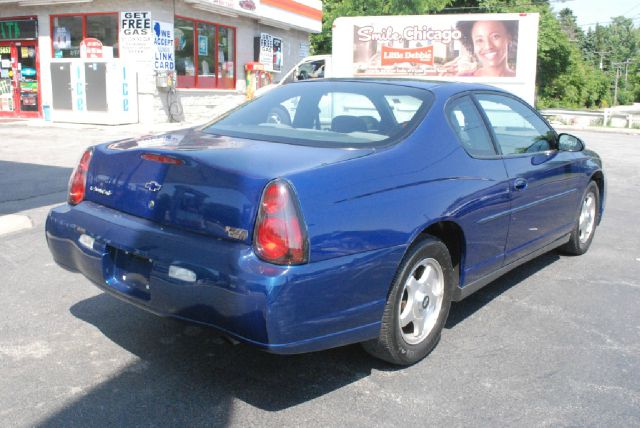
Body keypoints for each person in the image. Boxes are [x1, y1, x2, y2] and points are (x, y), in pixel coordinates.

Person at [441, 20, 517, 77]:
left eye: (495, 36)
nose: (488, 46)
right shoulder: (464, 77)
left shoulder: (521, 76)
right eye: (479, 40)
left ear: (508, 38)